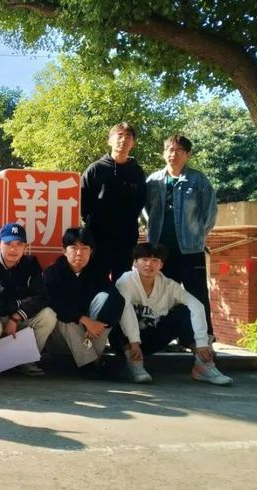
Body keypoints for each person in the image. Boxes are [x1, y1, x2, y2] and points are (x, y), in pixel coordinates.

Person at [114, 243, 232, 385]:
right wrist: (134, 342)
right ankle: (135, 364)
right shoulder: (126, 281)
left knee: (183, 311)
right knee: (117, 306)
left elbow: (197, 306)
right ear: (135, 262)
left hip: (151, 339)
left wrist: (202, 342)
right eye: (144, 259)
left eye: (155, 260)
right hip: (124, 340)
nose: (149, 264)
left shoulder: (168, 285)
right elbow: (125, 310)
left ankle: (202, 365)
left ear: (161, 265)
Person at [144, 134, 218, 339]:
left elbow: (210, 212)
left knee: (197, 293)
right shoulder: (153, 180)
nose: (173, 154)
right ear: (163, 153)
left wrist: (197, 235)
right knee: (163, 295)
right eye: (170, 150)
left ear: (188, 155)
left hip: (190, 250)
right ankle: (167, 337)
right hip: (161, 251)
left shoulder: (198, 180)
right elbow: (146, 210)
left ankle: (204, 337)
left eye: (179, 151)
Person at [43, 227, 127, 379]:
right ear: (64, 251)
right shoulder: (53, 273)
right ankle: (93, 363)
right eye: (74, 248)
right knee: (64, 318)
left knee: (107, 299)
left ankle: (89, 360)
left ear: (91, 251)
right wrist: (84, 320)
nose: (79, 253)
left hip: (90, 337)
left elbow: (116, 300)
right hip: (59, 340)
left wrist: (97, 323)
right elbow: (53, 303)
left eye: (84, 248)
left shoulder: (97, 272)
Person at [0, 222, 56, 376]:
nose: (13, 249)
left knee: (48, 315)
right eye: (8, 244)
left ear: (25, 246)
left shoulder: (31, 264)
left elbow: (42, 297)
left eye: (19, 244)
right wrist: (18, 303)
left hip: (18, 317)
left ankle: (26, 361)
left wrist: (16, 316)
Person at [80, 122, 146, 281]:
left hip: (126, 238)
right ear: (110, 140)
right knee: (95, 280)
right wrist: (93, 221)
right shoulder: (95, 169)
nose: (123, 140)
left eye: (128, 136)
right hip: (98, 238)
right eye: (119, 135)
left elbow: (140, 201)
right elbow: (82, 202)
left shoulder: (137, 172)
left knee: (122, 282)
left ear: (133, 143)